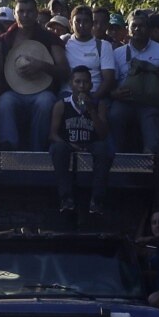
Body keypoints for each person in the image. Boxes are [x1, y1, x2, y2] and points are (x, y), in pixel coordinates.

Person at [0, 0, 69, 150]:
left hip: (42, 90)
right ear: (14, 14)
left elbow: (64, 71)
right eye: (21, 11)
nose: (25, 15)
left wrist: (42, 66)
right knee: (4, 102)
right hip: (13, 92)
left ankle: (38, 150)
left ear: (36, 13)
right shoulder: (3, 41)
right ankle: (9, 148)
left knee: (46, 101)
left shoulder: (50, 38)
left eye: (29, 11)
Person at [110, 11, 159, 155]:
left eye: (141, 26)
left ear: (149, 30)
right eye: (133, 26)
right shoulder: (118, 53)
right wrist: (115, 94)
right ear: (128, 29)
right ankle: (116, 159)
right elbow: (111, 82)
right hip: (125, 102)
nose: (137, 29)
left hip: (151, 103)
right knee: (115, 115)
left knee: (153, 123)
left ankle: (150, 162)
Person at [49, 66, 115, 215]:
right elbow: (52, 134)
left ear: (91, 85)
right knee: (58, 149)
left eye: (85, 82)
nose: (81, 86)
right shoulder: (61, 104)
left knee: (104, 149)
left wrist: (91, 110)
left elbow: (103, 134)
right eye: (77, 82)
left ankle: (97, 200)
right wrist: (67, 144)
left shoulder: (99, 105)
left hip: (92, 143)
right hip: (68, 144)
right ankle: (66, 198)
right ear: (71, 84)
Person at [62, 5, 116, 101]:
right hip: (67, 94)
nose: (81, 25)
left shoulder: (104, 46)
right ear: (71, 23)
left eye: (86, 21)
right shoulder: (63, 43)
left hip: (95, 93)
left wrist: (92, 99)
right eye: (77, 21)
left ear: (92, 24)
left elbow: (108, 79)